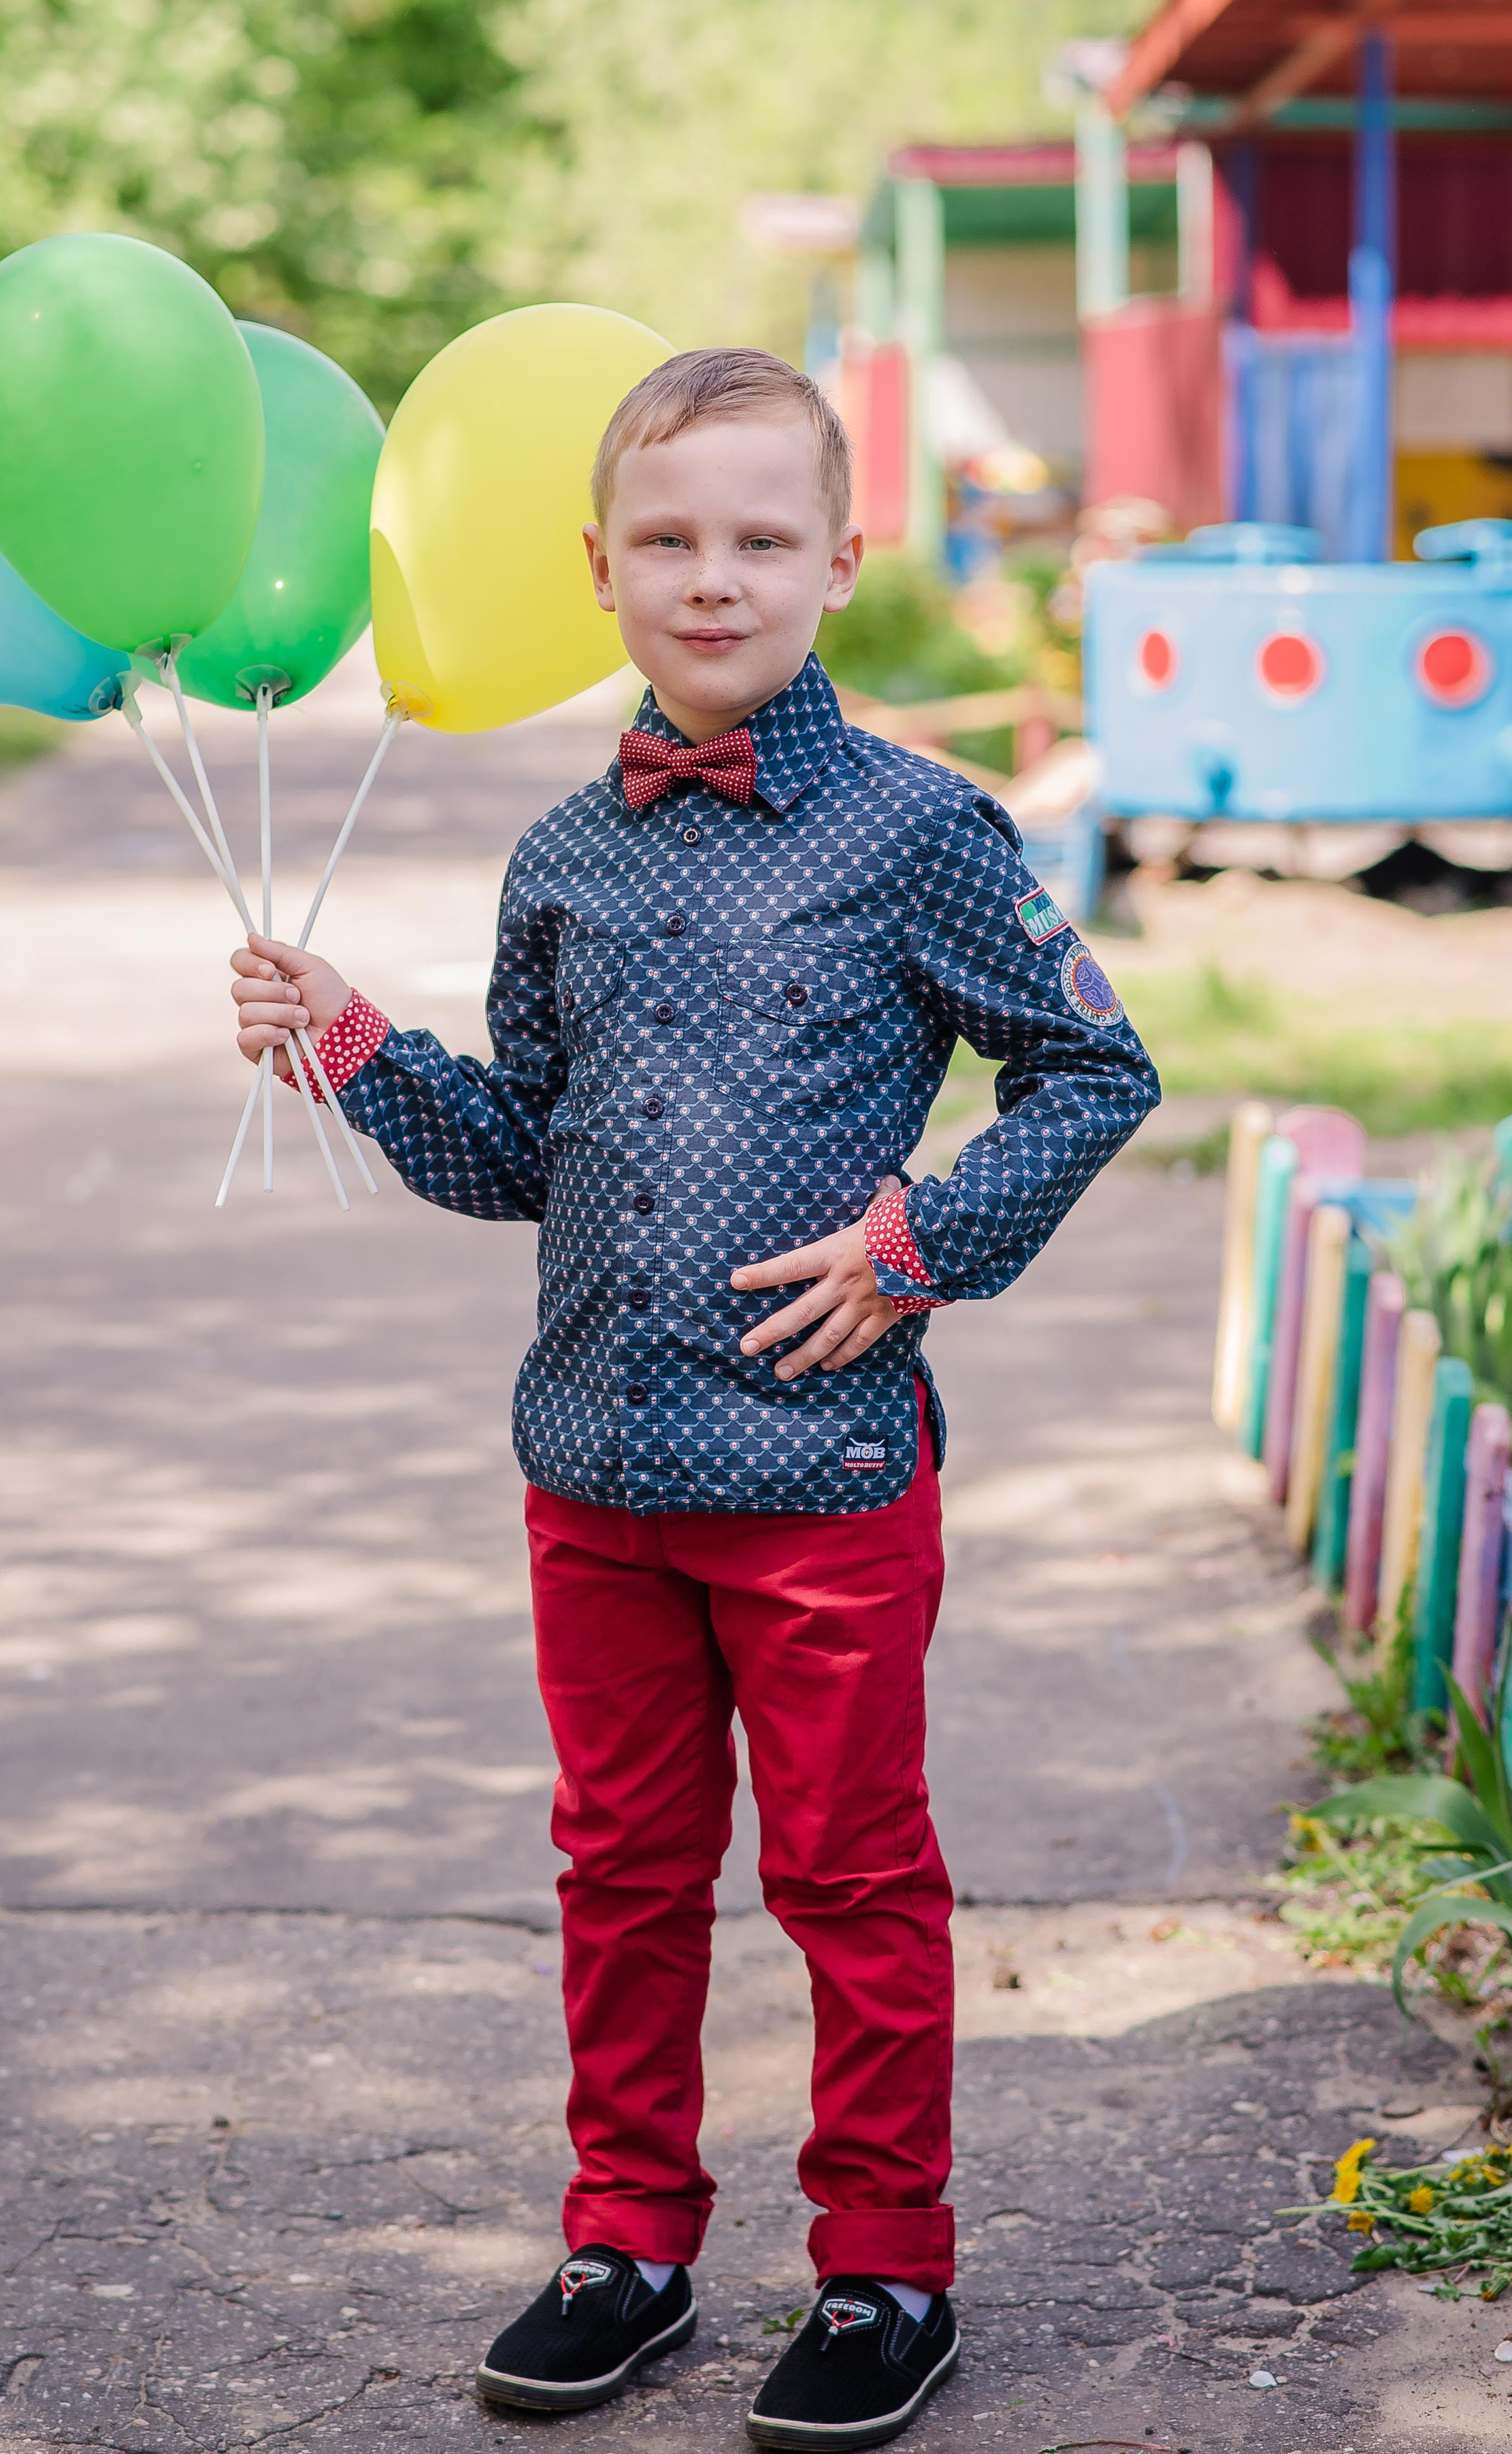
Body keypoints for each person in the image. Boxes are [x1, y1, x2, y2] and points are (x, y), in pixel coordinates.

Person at [229, 346, 1160, 2451]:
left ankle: (884, 2266)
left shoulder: (929, 831)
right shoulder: (562, 854)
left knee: (850, 1872)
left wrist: (919, 1241)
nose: (712, 578)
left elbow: (1099, 1069)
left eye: (760, 538)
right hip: (594, 1476)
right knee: (621, 1865)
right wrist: (356, 1043)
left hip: (823, 1480)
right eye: (668, 540)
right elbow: (514, 1154)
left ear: (840, 557)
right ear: (599, 569)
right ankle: (626, 2237)